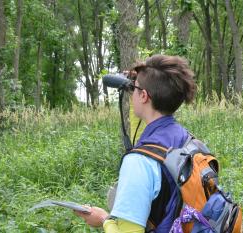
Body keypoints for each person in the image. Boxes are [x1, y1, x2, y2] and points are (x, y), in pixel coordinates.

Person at [75, 54, 196, 233]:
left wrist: (104, 220)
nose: (132, 93)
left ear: (144, 96)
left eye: (135, 88)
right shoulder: (188, 141)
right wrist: (142, 79)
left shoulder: (139, 161)